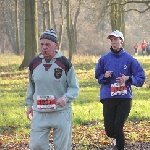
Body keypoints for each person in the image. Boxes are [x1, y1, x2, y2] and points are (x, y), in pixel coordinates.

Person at [24, 28, 79, 150]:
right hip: (40, 112)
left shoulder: (64, 63)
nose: (44, 47)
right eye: (42, 44)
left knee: (62, 147)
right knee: (36, 145)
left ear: (56, 45)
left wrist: (66, 98)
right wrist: (29, 105)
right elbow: (31, 86)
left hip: (61, 111)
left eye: (47, 44)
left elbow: (74, 87)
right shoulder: (34, 64)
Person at [95, 30, 145, 150]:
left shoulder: (129, 59)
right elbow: (98, 76)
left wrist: (128, 78)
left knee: (118, 127)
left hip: (124, 98)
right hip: (108, 97)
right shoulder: (104, 59)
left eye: (116, 40)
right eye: (112, 40)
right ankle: (117, 142)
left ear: (121, 41)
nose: (114, 42)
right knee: (110, 131)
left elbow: (141, 77)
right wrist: (104, 76)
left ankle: (119, 146)